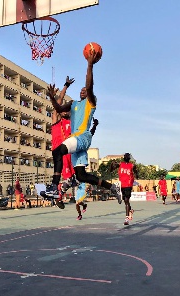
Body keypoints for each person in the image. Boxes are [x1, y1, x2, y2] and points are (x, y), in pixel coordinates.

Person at [45, 50, 122, 208]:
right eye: (81, 89)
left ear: (89, 93)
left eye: (85, 90)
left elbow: (89, 84)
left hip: (82, 138)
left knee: (57, 151)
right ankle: (112, 187)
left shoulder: (90, 102)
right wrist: (52, 97)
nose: (83, 90)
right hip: (76, 141)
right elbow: (58, 108)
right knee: (82, 175)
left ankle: (54, 186)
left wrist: (89, 65)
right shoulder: (73, 104)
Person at [116, 153, 138, 226]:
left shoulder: (132, 165)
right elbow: (112, 168)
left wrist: (136, 174)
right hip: (122, 185)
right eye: (125, 156)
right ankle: (130, 211)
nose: (125, 157)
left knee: (126, 200)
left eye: (127, 156)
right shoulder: (120, 164)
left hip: (128, 185)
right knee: (125, 201)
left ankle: (127, 218)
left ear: (129, 158)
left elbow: (136, 172)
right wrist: (112, 165)